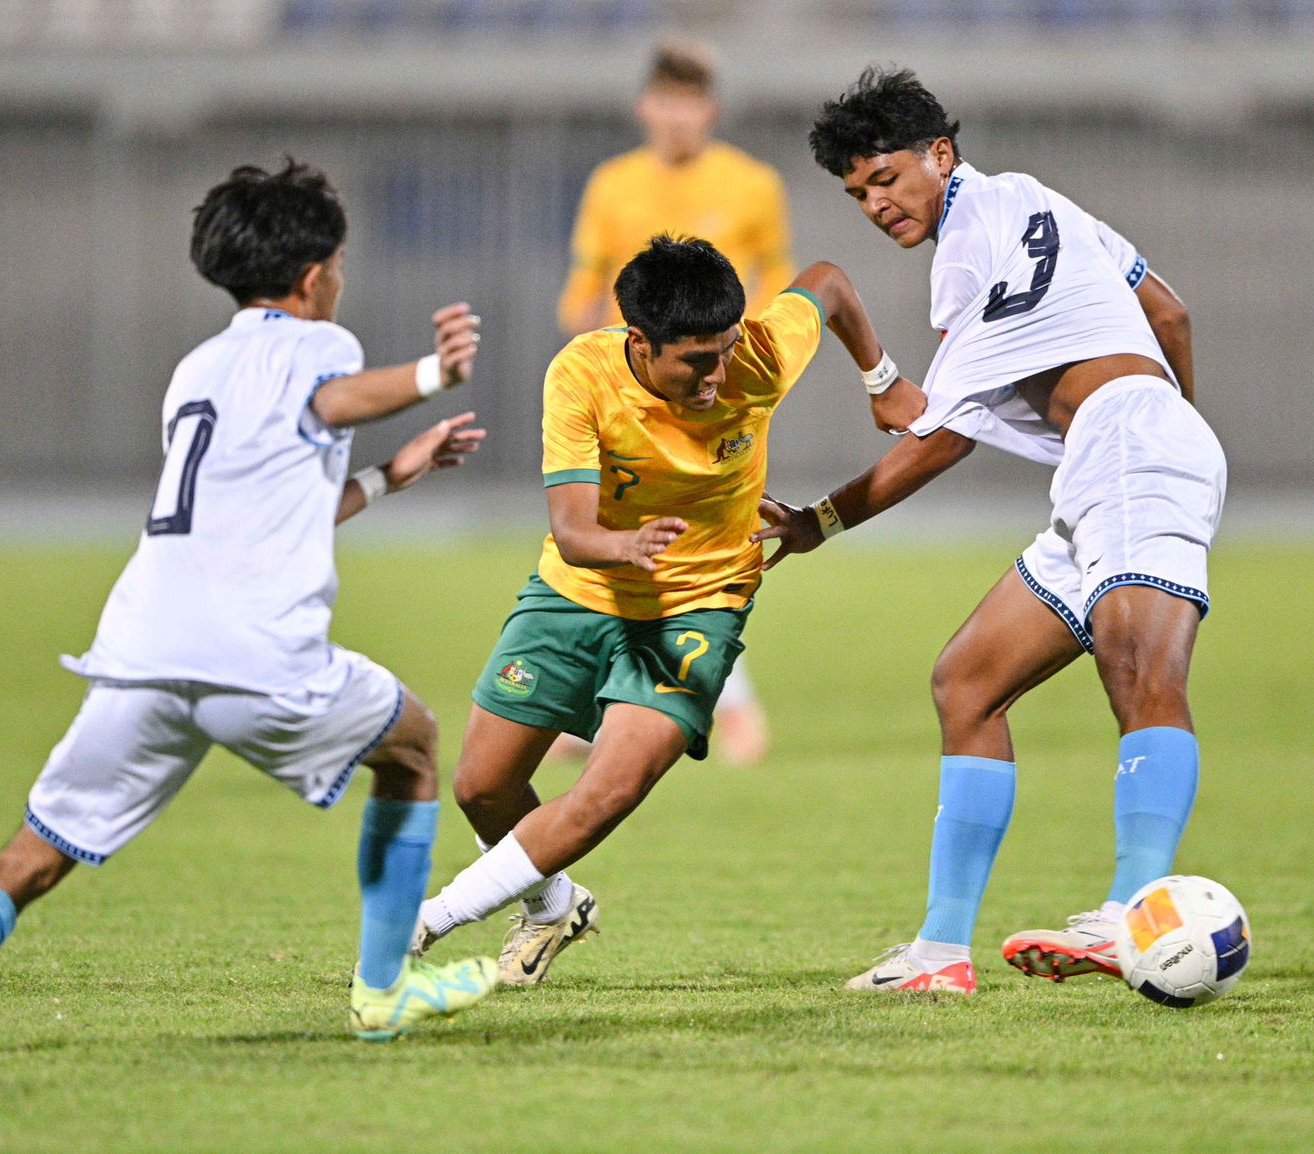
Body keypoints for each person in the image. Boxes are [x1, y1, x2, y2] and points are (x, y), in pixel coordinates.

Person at [0, 160, 499, 1055]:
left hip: (142, 654)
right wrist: (432, 373)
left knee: (33, 855)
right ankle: (382, 993)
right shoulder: (319, 347)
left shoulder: (198, 369)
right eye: (339, 267)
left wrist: (388, 477)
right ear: (314, 276)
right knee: (414, 748)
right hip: (258, 656)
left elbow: (265, 503)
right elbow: (330, 401)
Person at [755, 67, 1222, 994]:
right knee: (967, 682)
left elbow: (942, 438)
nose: (876, 204)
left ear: (940, 154)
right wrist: (1176, 426)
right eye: (857, 194)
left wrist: (820, 521)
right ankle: (939, 954)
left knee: (1140, 672)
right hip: (1113, 460)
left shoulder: (966, 252)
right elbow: (1168, 311)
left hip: (1128, 450)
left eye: (886, 178)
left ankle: (1134, 913)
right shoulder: (1033, 198)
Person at [413, 234, 925, 986]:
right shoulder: (582, 374)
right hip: (579, 589)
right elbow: (572, 530)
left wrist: (882, 378)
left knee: (608, 790)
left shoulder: (758, 356)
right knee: (481, 787)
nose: (718, 375)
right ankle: (554, 906)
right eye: (696, 361)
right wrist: (623, 546)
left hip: (699, 605)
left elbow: (829, 281)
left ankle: (424, 922)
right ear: (640, 343)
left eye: (726, 350)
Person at [554, 38, 798, 765]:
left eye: (690, 103)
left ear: (710, 110)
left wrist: (752, 368)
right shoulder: (612, 185)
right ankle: (614, 703)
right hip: (625, 394)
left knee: (700, 541)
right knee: (613, 543)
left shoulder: (752, 184)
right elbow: (585, 284)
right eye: (667, 102)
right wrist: (581, 343)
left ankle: (728, 705)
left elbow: (779, 279)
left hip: (713, 396)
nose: (677, 117)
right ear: (644, 108)